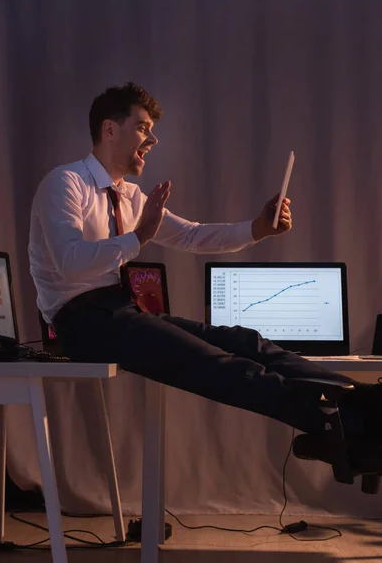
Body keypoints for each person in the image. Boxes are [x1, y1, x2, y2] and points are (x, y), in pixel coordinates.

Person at [29, 82, 382, 475]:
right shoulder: (64, 184)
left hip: (120, 311)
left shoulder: (130, 197)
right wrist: (138, 237)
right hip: (81, 324)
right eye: (144, 127)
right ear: (110, 129)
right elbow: (69, 262)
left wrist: (258, 228)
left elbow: (192, 235)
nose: (153, 138)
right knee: (221, 365)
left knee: (246, 343)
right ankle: (352, 433)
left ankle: (368, 403)